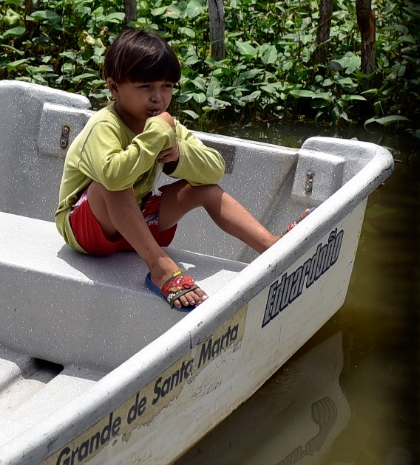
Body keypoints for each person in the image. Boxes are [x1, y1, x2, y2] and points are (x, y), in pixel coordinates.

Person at [54, 29, 299, 312]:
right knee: (111, 184)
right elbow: (113, 176)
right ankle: (159, 268)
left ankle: (271, 246)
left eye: (167, 86)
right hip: (86, 230)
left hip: (134, 222)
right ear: (114, 87)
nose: (158, 98)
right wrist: (154, 137)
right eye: (146, 87)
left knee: (204, 189)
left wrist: (179, 156)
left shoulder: (163, 124)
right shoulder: (104, 125)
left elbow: (215, 169)